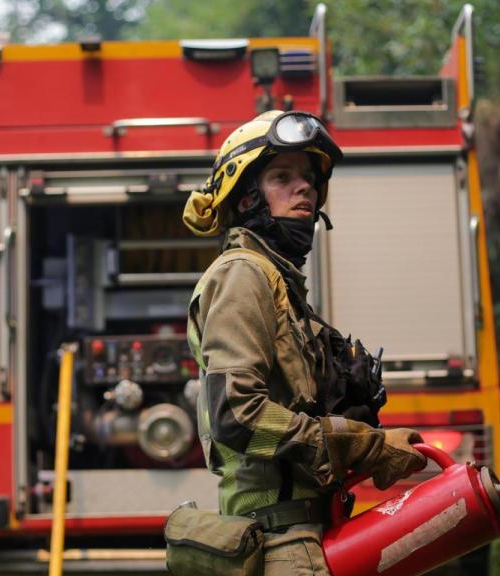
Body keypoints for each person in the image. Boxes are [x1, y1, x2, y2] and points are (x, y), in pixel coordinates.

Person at [182, 110, 427, 575]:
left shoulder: (279, 282)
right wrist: (362, 446)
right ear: (246, 195)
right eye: (282, 177)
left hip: (311, 534)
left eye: (309, 179)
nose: (305, 189)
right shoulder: (243, 274)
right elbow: (237, 414)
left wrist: (372, 438)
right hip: (279, 544)